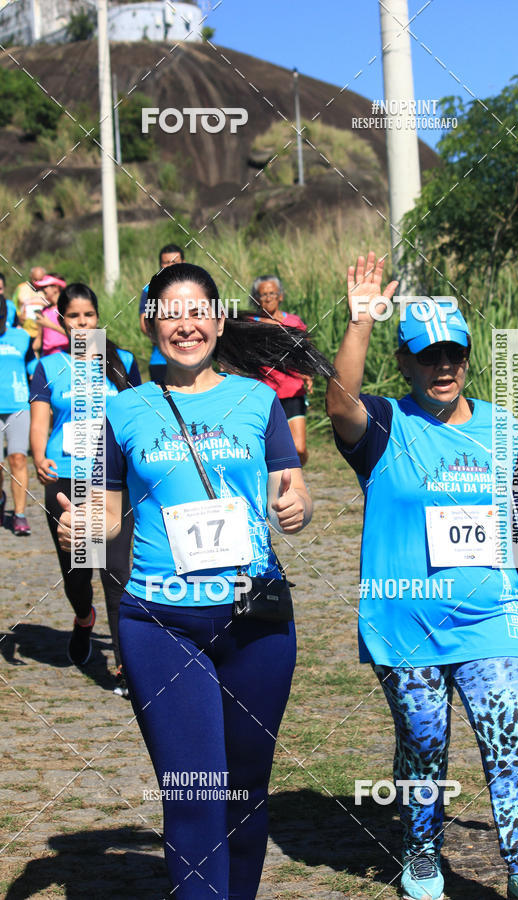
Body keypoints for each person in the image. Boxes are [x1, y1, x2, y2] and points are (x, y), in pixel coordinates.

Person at [326, 252, 518, 900]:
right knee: (423, 739)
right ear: (404, 362)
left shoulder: (501, 427)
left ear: (469, 357)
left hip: (491, 611)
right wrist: (360, 321)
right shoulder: (384, 426)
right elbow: (339, 403)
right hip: (407, 619)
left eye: (454, 354)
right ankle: (422, 854)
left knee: (509, 732)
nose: (443, 367)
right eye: (428, 357)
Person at [56, 262, 334, 898]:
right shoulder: (122, 409)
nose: (186, 325)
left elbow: (291, 489)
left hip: (255, 614)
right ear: (150, 323)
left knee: (244, 790)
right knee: (193, 792)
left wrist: (299, 506)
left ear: (218, 320)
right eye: (171, 313)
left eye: (198, 311)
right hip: (161, 618)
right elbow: (107, 510)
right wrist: (83, 525)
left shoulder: (257, 400)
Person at [29, 283, 140, 696]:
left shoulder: (122, 361)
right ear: (62, 321)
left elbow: (136, 417)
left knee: (116, 570)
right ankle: (83, 617)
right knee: (77, 573)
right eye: (73, 316)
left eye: (88, 315)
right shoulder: (47, 366)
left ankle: (126, 665)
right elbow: (40, 418)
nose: (82, 323)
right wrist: (38, 455)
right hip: (65, 479)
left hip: (111, 481)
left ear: (97, 317)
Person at [250, 275, 312, 465]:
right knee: (270, 450)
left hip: (292, 391)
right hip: (263, 393)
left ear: (280, 296)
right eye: (263, 295)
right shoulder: (250, 324)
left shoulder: (293, 322)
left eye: (272, 293)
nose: (268, 298)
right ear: (256, 299)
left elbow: (306, 350)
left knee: (299, 448)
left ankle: (297, 475)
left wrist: (307, 373)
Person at [0, 295, 36, 534]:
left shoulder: (21, 337)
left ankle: (20, 514)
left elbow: (33, 368)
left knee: (18, 459)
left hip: (18, 405)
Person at [139, 243, 184, 383]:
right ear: (160, 264)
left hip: (191, 358)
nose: (170, 266)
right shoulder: (150, 290)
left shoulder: (194, 287)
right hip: (161, 361)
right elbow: (145, 323)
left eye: (174, 262)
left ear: (183, 262)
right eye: (166, 263)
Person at [32, 273, 69, 357]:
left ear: (56, 287)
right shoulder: (44, 311)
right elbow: (39, 339)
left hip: (65, 355)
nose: (42, 290)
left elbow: (75, 335)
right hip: (47, 357)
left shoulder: (67, 308)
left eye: (45, 287)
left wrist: (49, 324)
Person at [15, 266, 46, 338]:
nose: (37, 282)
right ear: (30, 276)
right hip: (23, 330)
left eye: (40, 280)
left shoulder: (47, 290)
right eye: (35, 279)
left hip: (42, 331)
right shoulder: (21, 288)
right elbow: (14, 306)